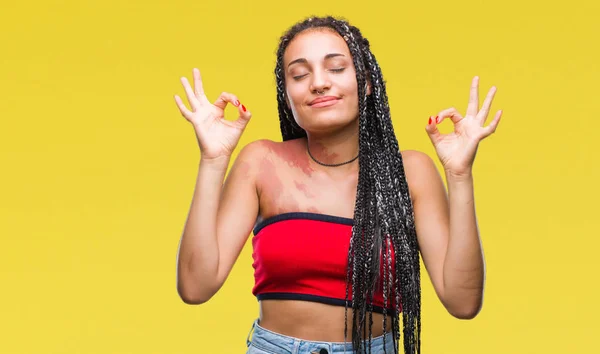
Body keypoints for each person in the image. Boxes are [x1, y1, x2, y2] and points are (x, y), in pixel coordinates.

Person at [173, 15, 502, 354]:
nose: (318, 83)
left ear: (368, 81)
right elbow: (195, 287)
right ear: (287, 97)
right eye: (300, 75)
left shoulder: (410, 173)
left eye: (336, 68)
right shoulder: (261, 163)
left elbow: (463, 303)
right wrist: (213, 161)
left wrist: (460, 175)